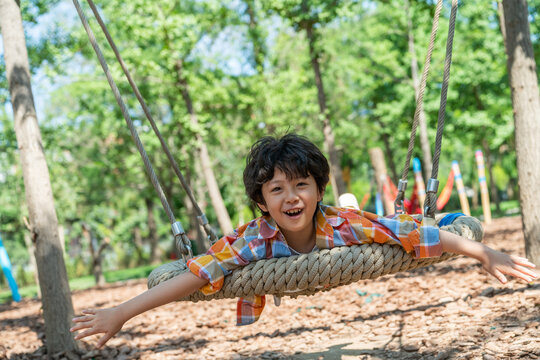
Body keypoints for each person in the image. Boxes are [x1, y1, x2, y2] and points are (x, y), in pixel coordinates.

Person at [71, 134, 538, 348]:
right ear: (262, 201)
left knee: (418, 220)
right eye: (276, 189)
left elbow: (415, 234)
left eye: (301, 185)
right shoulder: (251, 241)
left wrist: (483, 251)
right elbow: (197, 274)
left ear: (318, 189)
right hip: (278, 256)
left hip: (357, 229)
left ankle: (441, 211)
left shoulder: (343, 223)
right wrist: (120, 312)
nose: (291, 197)